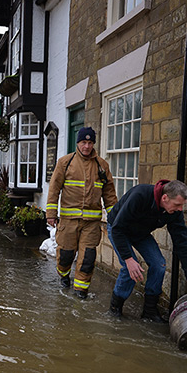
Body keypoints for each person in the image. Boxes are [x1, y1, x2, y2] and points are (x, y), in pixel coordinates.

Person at [107, 179, 187, 322]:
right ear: (165, 198)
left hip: (141, 234)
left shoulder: (175, 213)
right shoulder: (140, 195)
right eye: (177, 205)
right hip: (118, 229)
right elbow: (118, 229)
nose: (180, 209)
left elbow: (182, 243)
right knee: (130, 269)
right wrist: (128, 259)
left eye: (182, 206)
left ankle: (149, 311)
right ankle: (115, 308)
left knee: (159, 264)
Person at [46, 126, 117, 299]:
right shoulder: (65, 162)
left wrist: (115, 217)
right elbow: (54, 189)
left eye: (90, 142)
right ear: (78, 143)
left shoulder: (102, 166)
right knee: (65, 255)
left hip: (91, 223)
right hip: (68, 221)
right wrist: (51, 213)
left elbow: (109, 194)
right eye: (84, 142)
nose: (87, 146)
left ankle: (80, 291)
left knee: (87, 259)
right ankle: (64, 276)